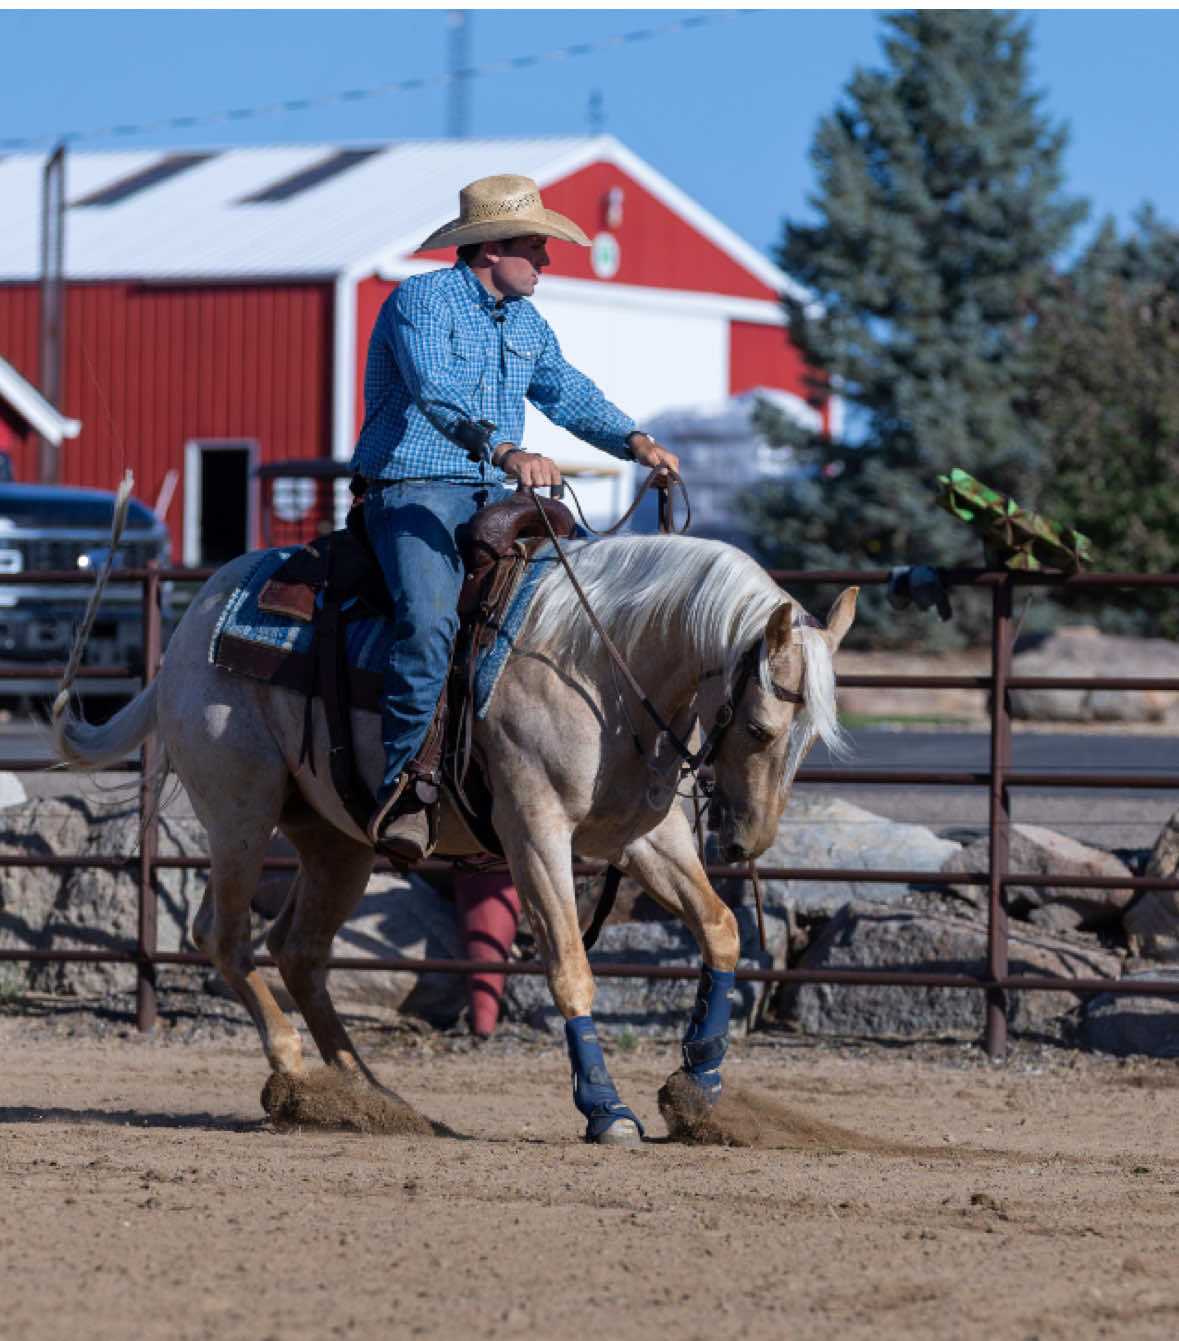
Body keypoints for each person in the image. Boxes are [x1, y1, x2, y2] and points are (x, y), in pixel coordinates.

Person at [349, 172, 679, 861]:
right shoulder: (421, 300)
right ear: (490, 248)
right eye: (536, 247)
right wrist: (503, 449)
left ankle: (585, 759)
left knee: (587, 601)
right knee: (431, 619)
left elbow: (566, 390)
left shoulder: (525, 323)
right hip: (414, 487)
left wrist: (634, 441)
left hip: (494, 491)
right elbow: (433, 389)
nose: (548, 262)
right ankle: (408, 786)